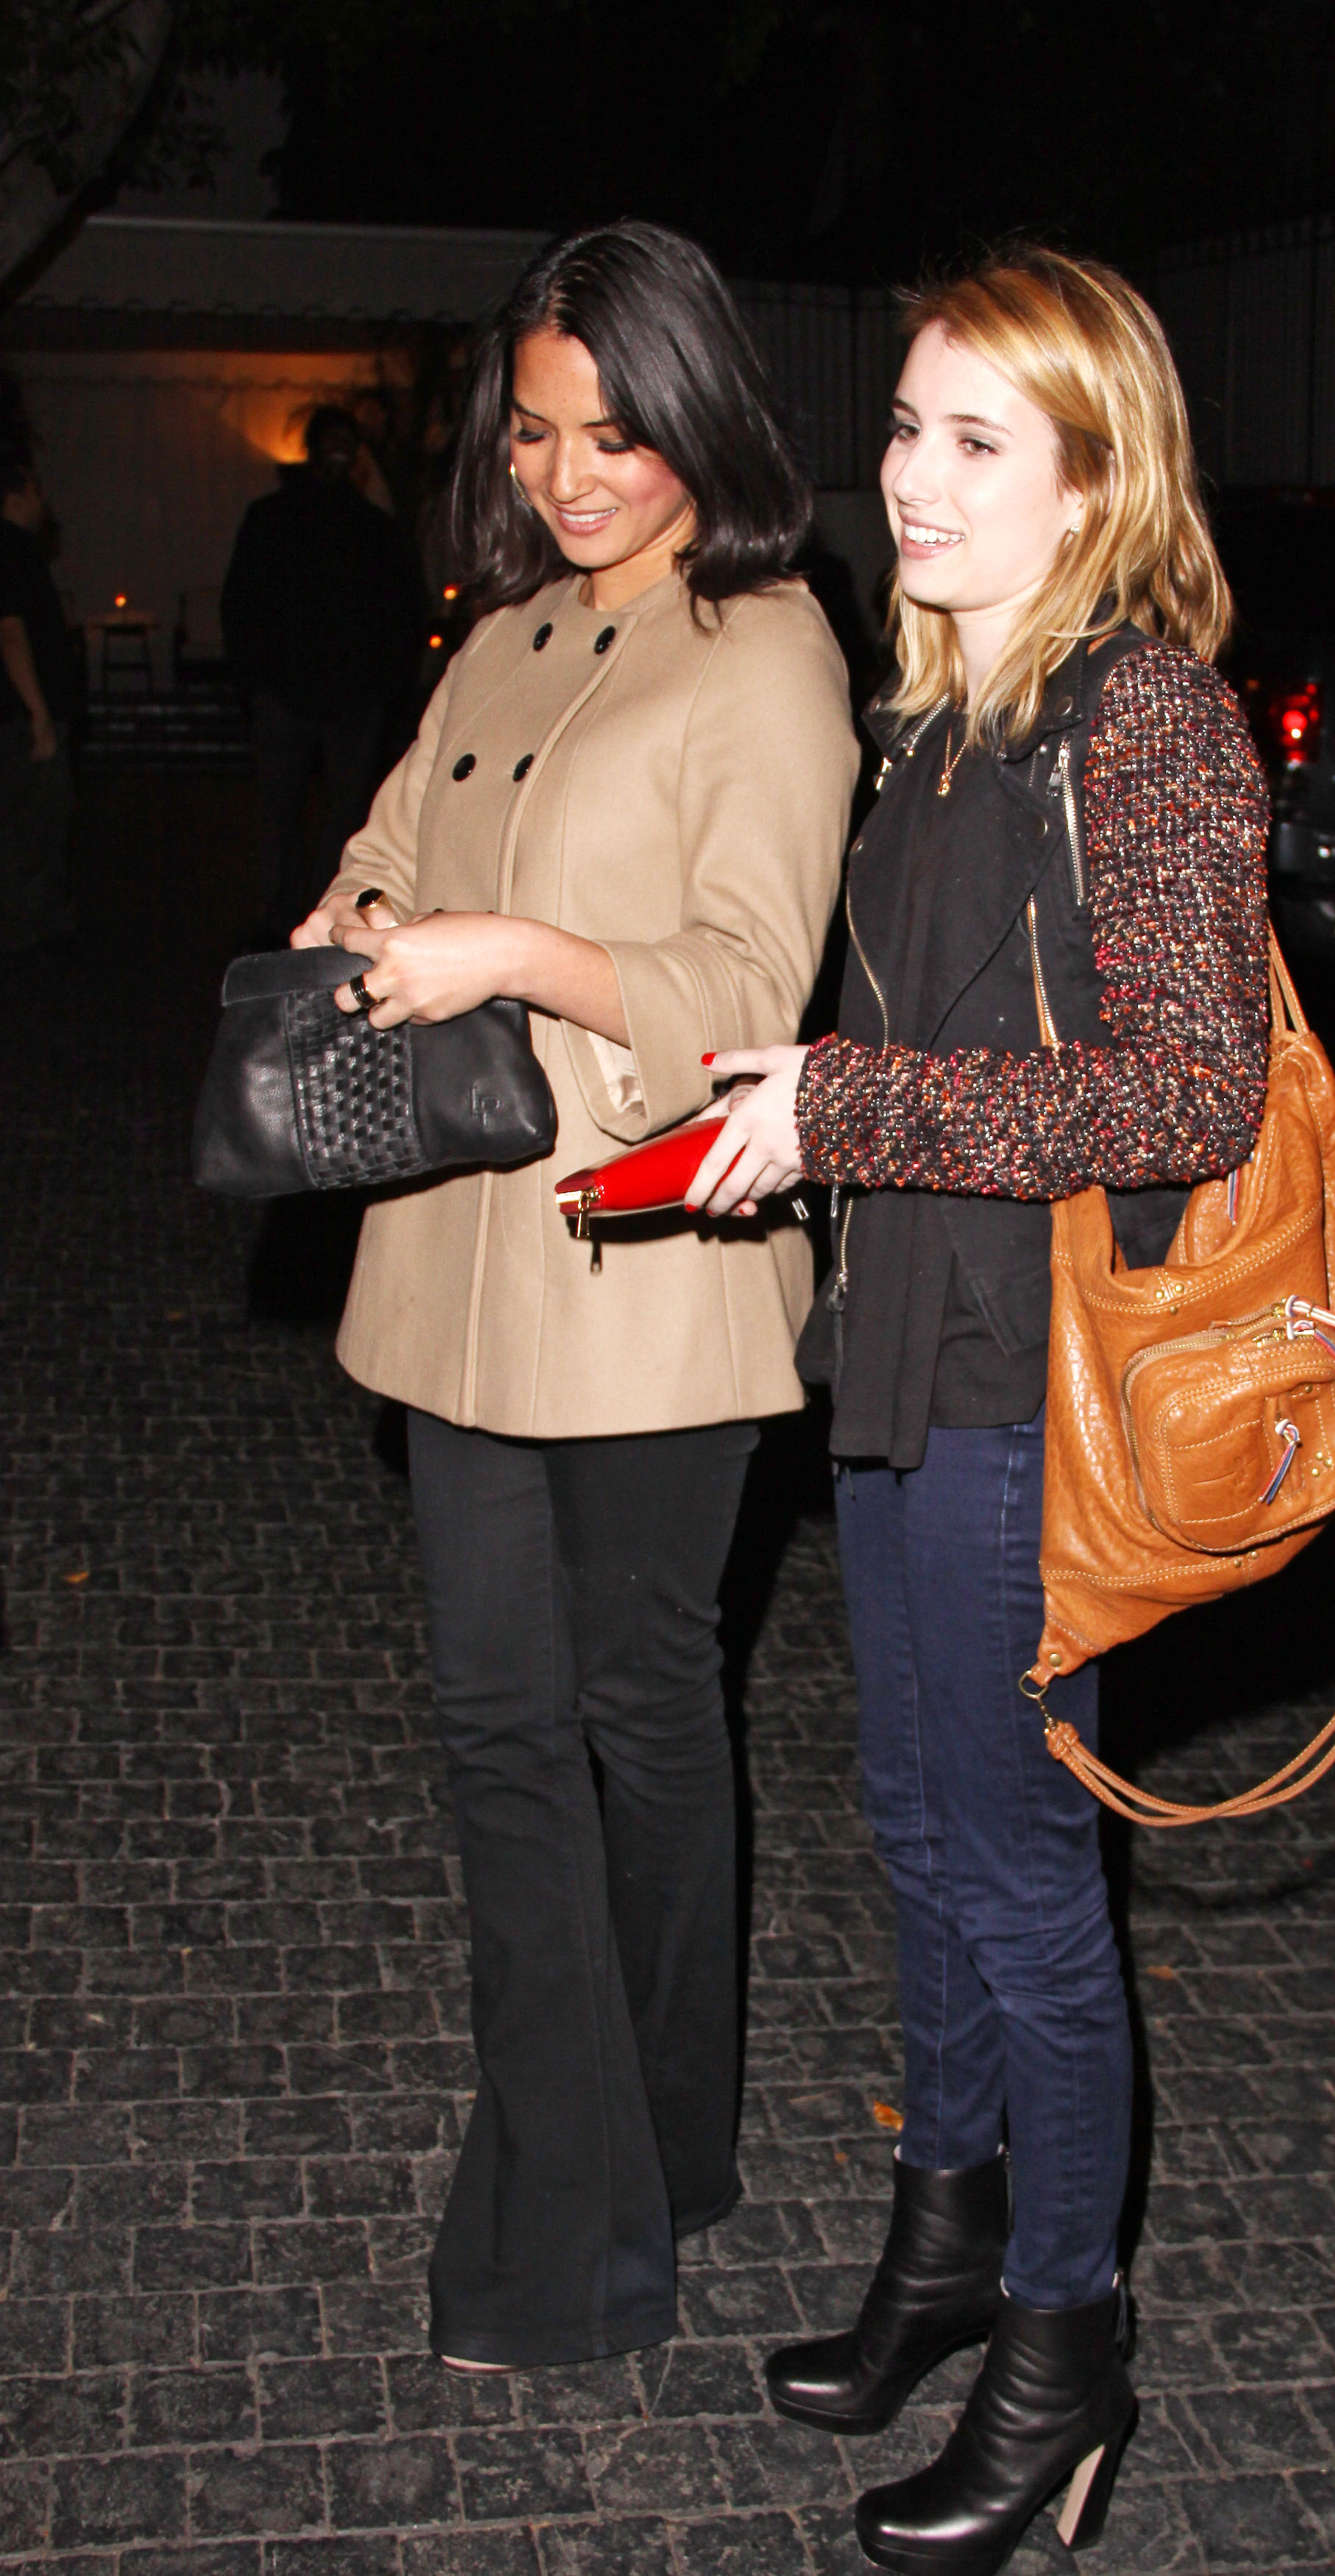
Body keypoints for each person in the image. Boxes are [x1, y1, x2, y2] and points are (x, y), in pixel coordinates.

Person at [686, 248, 1270, 2576]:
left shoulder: (1145, 722)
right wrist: (790, 1105)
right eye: (905, 428)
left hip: (1051, 1386)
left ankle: (1064, 2337)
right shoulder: (938, 720)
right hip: (909, 1357)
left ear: (1093, 485)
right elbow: (930, 1048)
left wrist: (856, 1104)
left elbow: (1189, 1088)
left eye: (971, 441)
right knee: (921, 1836)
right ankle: (942, 2245)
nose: (907, 479)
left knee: (1024, 1882)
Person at [289, 223, 858, 2369]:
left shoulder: (765, 652)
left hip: (648, 1281)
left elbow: (744, 989)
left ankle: (625, 2181)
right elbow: (392, 842)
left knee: (634, 1720)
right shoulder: (509, 635)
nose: (568, 474)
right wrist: (355, 918)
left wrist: (511, 958)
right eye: (534, 434)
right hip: (454, 1261)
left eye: (614, 432)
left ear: (700, 416)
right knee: (499, 1734)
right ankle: (612, 2174)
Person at [223, 404, 427, 943]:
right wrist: (255, 684)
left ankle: (319, 918)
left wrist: (385, 691)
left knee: (340, 819)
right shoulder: (276, 519)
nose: (339, 453)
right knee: (283, 813)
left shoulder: (373, 528)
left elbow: (403, 612)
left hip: (347, 698)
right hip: (294, 694)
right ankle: (280, 919)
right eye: (332, 442)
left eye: (346, 443)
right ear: (313, 449)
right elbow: (242, 605)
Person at [0, 455, 79, 953]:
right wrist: (39, 715)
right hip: (20, 717)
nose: (41, 501)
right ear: (14, 495)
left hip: (23, 714)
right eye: (34, 491)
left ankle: (38, 923)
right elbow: (10, 632)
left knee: (39, 820)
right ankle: (26, 931)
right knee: (33, 822)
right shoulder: (11, 550)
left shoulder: (19, 549)